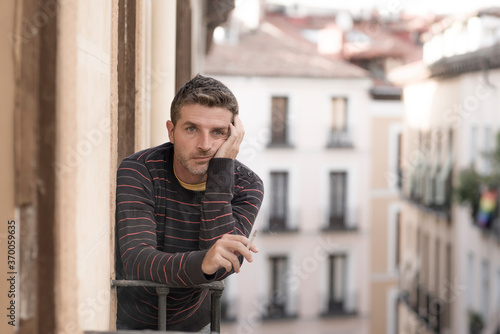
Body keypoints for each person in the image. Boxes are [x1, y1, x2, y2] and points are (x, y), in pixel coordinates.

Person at [114, 74, 264, 332]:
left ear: (234, 138)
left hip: (196, 326)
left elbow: (220, 267)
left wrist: (221, 170)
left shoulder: (247, 186)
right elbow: (137, 260)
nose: (205, 145)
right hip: (129, 323)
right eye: (192, 129)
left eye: (218, 133)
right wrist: (202, 262)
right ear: (172, 131)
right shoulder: (139, 171)